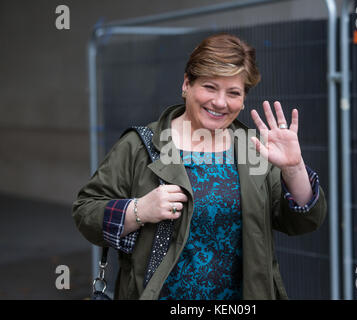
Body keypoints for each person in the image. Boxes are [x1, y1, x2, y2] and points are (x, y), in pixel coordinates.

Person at [72, 33, 327, 300]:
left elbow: (303, 222)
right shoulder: (139, 146)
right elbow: (85, 212)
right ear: (186, 84)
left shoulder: (255, 150)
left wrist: (294, 168)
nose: (220, 102)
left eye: (233, 93)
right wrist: (139, 210)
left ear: (243, 99)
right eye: (209, 87)